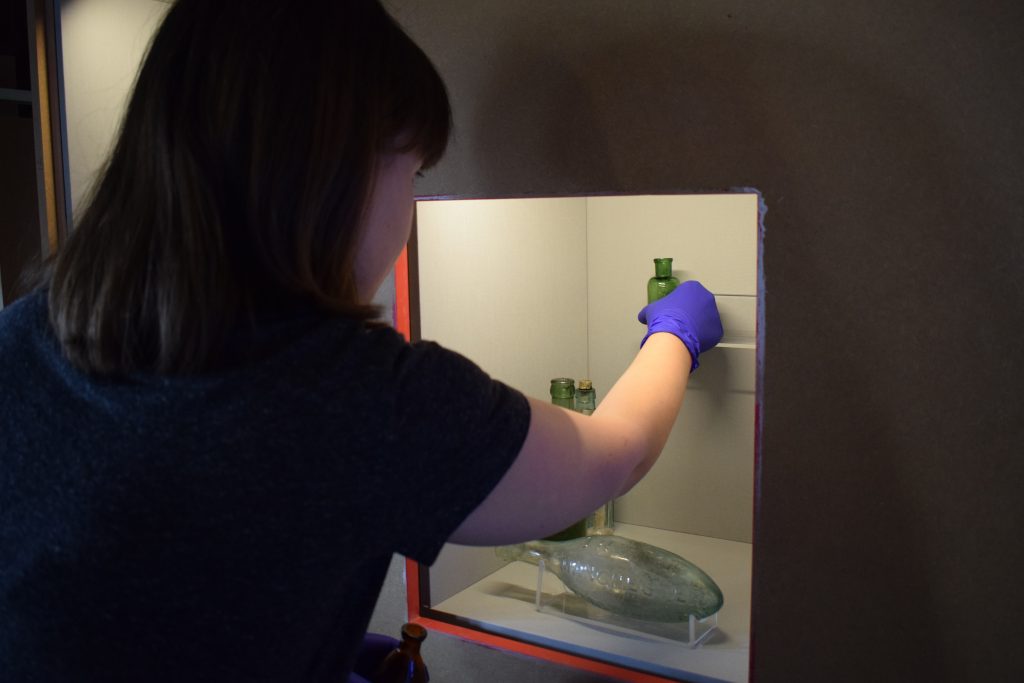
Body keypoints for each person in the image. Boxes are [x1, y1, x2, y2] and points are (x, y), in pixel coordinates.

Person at [0, 1, 723, 681]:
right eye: (409, 171)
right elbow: (613, 454)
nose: (408, 208)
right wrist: (676, 333)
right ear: (329, 175)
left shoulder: (20, 336)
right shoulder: (353, 399)